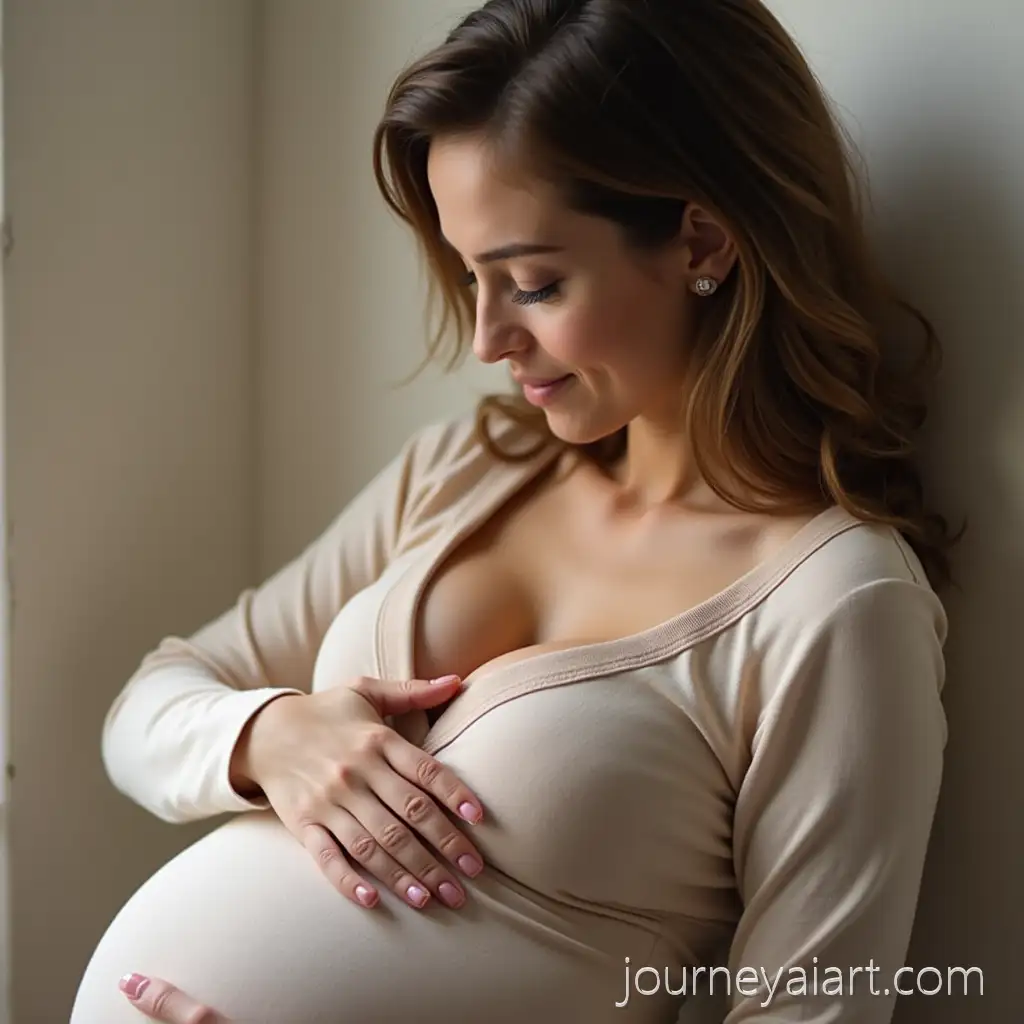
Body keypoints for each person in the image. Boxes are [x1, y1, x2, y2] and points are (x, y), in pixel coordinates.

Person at [72, 0, 960, 1021]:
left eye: (532, 283)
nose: (487, 337)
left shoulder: (837, 605)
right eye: (467, 275)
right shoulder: (460, 473)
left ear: (700, 239)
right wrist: (270, 735)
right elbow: (148, 705)